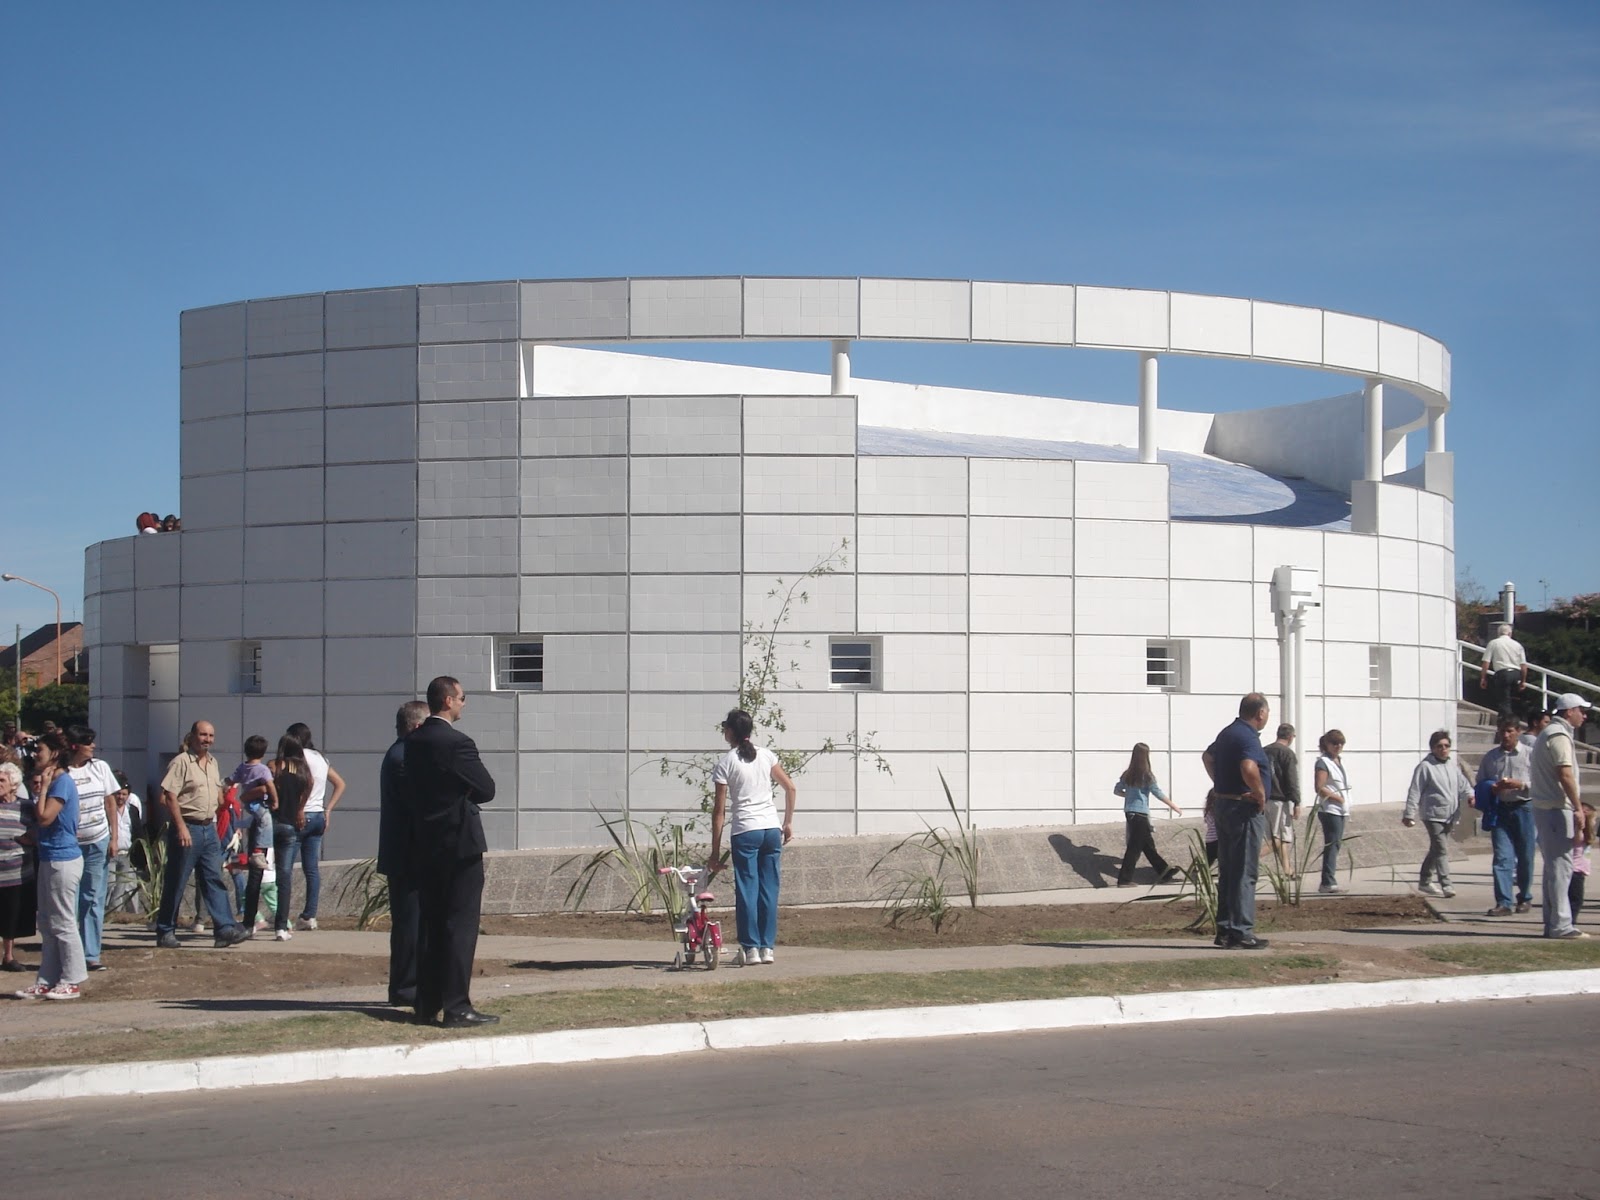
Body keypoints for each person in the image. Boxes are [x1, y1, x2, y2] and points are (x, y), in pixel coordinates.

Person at [403, 676, 498, 1027]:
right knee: (460, 924)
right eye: (461, 697)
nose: (463, 703)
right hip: (459, 843)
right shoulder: (457, 743)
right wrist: (462, 792)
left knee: (431, 923)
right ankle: (457, 1005)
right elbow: (486, 788)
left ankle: (427, 1003)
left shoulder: (413, 742)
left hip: (425, 842)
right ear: (447, 701)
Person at [706, 708, 797, 965]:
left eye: (725, 728)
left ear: (731, 732)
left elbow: (719, 811)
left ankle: (750, 948)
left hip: (746, 830)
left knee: (748, 889)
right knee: (769, 889)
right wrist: (787, 822)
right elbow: (790, 787)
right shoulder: (766, 755)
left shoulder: (727, 762)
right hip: (771, 829)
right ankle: (767, 948)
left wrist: (715, 853)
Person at [153, 721, 248, 949]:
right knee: (177, 881)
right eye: (203, 735)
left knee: (213, 878)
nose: (207, 739)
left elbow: (217, 796)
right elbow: (169, 796)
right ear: (193, 736)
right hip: (187, 827)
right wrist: (181, 827)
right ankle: (165, 930)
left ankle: (224, 929)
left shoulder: (213, 763)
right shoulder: (181, 762)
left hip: (209, 828)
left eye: (211, 736)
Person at [16, 732, 86, 999]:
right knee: (46, 922)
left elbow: (45, 817)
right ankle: (47, 979)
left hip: (63, 860)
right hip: (48, 857)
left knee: (63, 922)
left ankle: (72, 979)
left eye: (41, 750)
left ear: (55, 754)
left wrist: (43, 788)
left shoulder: (62, 783)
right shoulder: (55, 781)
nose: (36, 755)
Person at [1201, 693, 1272, 950]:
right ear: (1260, 713)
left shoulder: (1227, 733)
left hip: (1224, 804)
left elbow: (1207, 757)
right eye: (1267, 712)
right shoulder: (1247, 736)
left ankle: (1225, 929)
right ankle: (1241, 931)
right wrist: (1260, 793)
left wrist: (1220, 784)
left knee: (1229, 870)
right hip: (1243, 809)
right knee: (1244, 871)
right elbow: (1248, 767)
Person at [1530, 694, 1593, 939]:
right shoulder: (1558, 735)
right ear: (1569, 711)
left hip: (1547, 807)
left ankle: (1553, 922)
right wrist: (1577, 806)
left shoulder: (1550, 733)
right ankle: (1561, 925)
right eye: (1581, 711)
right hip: (1556, 808)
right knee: (1561, 867)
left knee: (1554, 867)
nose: (1584, 716)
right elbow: (1565, 774)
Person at [380, 700, 429, 1008]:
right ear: (417, 727)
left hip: (405, 853)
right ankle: (405, 986)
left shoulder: (399, 754)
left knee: (412, 922)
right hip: (407, 854)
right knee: (409, 924)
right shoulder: (403, 758)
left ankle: (409, 984)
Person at [64, 725, 119, 972]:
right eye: (88, 742)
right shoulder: (63, 772)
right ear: (75, 746)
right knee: (71, 898)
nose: (93, 746)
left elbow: (110, 802)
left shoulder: (100, 767)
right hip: (71, 844)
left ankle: (91, 954)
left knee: (93, 896)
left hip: (98, 840)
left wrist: (114, 837)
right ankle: (70, 952)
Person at [282, 722, 345, 931]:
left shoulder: (298, 757)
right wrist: (328, 809)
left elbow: (303, 783)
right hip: (318, 815)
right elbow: (340, 783)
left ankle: (282, 916)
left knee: (285, 868)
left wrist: (299, 808)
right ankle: (310, 915)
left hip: (300, 815)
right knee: (311, 870)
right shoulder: (321, 758)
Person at [1476, 717, 1536, 916]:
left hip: (1524, 807)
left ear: (1518, 731)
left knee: (1525, 856)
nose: (1506, 735)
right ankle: (1503, 902)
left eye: (1510, 731)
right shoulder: (1491, 757)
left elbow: (1541, 783)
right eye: (1502, 731)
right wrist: (1491, 788)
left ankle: (1525, 897)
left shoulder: (1529, 755)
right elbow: (1481, 781)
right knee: (1502, 857)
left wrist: (1521, 784)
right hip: (1500, 809)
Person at [1402, 730, 1473, 899]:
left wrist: (1471, 796)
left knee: (1436, 849)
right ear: (1433, 748)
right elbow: (1415, 790)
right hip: (1432, 815)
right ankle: (1446, 884)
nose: (1443, 749)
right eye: (1439, 746)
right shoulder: (1425, 767)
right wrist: (1409, 813)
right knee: (1441, 848)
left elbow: (1464, 785)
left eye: (1446, 746)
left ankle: (1425, 881)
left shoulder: (1452, 766)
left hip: (1450, 814)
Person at [1113, 742, 1182, 887]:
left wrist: (1129, 796)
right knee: (1134, 848)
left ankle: (1165, 872)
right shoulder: (1147, 775)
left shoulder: (1127, 774)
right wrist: (1173, 806)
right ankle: (1124, 880)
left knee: (1148, 845)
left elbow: (1117, 790)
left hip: (1130, 813)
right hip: (1141, 814)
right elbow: (1158, 793)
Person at [268, 733, 313, 941]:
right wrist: (300, 808)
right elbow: (310, 785)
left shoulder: (274, 765)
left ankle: (250, 920)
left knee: (257, 872)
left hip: (271, 821)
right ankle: (281, 926)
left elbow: (265, 784)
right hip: (290, 824)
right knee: (284, 877)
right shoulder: (303, 770)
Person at [0, 761, 37, 972]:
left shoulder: (27, 806)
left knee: (11, 917)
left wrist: (29, 837)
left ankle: (8, 956)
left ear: (14, 784)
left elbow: (39, 828)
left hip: (17, 872)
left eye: (2, 780)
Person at [228, 736, 277, 872]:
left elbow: (231, 779)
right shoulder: (263, 769)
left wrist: (222, 784)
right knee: (265, 821)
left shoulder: (242, 767)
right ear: (263, 753)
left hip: (250, 803)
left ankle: (237, 824)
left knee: (257, 820)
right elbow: (270, 786)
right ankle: (258, 851)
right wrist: (275, 801)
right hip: (258, 802)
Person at [1312, 730, 1352, 894]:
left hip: (1340, 810)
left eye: (1341, 743)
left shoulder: (1338, 761)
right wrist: (1338, 798)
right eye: (1334, 743)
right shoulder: (1323, 763)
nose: (1338, 746)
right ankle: (1327, 882)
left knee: (1336, 844)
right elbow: (1319, 787)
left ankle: (1329, 879)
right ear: (1327, 744)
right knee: (1332, 844)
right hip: (1330, 809)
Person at [1263, 724, 1301, 879]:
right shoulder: (1287, 753)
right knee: (1279, 838)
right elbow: (1292, 780)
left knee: (1280, 836)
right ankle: (1246, 861)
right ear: (1290, 736)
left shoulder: (1264, 751)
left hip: (1264, 798)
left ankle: (1287, 869)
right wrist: (1296, 802)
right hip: (1279, 799)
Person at [106, 769, 144, 914]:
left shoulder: (132, 810)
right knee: (110, 885)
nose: (121, 797)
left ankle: (119, 913)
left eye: (124, 794)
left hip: (126, 854)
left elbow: (137, 831)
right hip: (110, 853)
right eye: (118, 794)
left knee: (124, 886)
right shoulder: (107, 810)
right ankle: (110, 913)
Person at [1478, 623, 1528, 720]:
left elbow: (1486, 662)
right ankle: (1515, 719)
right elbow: (1523, 666)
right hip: (1516, 674)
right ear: (1510, 633)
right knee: (1514, 699)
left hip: (1502, 674)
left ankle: (1507, 720)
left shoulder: (1493, 643)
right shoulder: (1518, 645)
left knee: (1504, 700)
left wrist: (1483, 678)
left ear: (1498, 633)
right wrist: (1523, 681)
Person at [1570, 803, 1595, 920]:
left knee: (1576, 900)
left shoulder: (1586, 837)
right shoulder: (1579, 835)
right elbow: (1577, 834)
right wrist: (1579, 823)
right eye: (1593, 820)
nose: (1595, 823)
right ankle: (1570, 922)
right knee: (1576, 901)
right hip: (1574, 872)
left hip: (1579, 873)